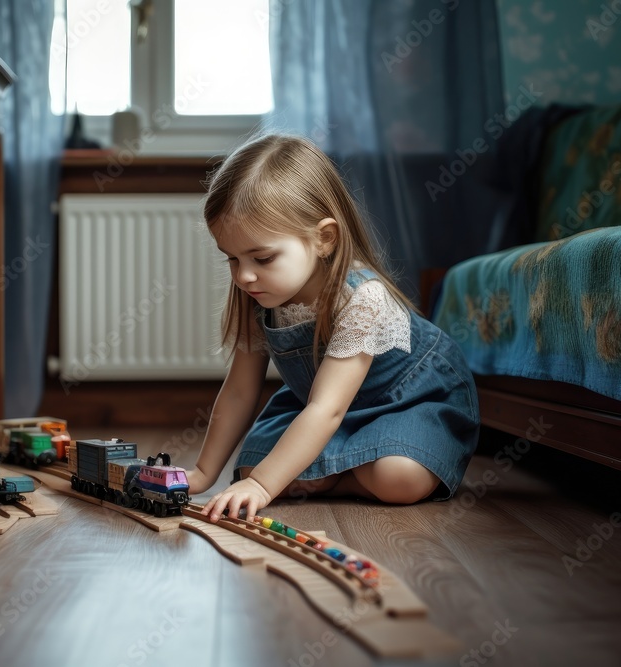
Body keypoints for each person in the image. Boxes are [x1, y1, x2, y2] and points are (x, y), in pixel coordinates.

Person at [187, 134, 480, 523]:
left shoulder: (363, 300)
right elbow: (240, 391)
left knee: (399, 479)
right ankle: (339, 466)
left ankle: (337, 475)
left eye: (262, 257)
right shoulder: (258, 293)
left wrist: (263, 487)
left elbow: (328, 408)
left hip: (404, 402)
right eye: (232, 259)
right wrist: (205, 473)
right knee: (248, 472)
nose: (244, 275)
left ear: (324, 238)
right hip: (319, 405)